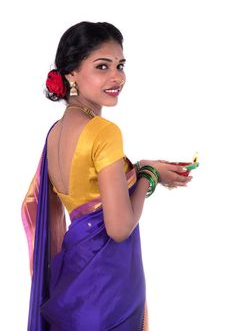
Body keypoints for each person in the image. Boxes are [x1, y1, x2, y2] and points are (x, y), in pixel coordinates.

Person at [22, 21, 193, 331]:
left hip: (74, 280)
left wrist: (141, 170)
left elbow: (90, 199)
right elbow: (119, 227)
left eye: (120, 65)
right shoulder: (104, 132)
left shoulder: (55, 134)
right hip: (108, 286)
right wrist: (148, 175)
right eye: (103, 66)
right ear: (72, 73)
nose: (117, 77)